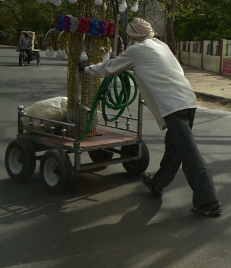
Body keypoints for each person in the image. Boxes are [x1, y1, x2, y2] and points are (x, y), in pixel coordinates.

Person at [79, 18, 221, 217]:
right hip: (188, 100)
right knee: (175, 148)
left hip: (173, 106)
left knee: (188, 153)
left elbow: (108, 68)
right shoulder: (160, 45)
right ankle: (157, 184)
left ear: (132, 36)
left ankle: (208, 200)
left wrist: (85, 68)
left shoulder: (136, 51)